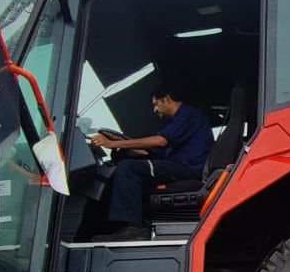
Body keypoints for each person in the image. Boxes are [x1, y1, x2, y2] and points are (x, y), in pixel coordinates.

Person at [90, 86, 213, 242]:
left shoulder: (187, 114)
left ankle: (134, 228)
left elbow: (160, 141)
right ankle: (130, 225)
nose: (155, 110)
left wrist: (111, 144)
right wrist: (126, 146)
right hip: (177, 165)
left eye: (156, 104)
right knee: (131, 168)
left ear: (166, 99)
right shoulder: (178, 122)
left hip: (187, 168)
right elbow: (154, 152)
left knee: (128, 168)